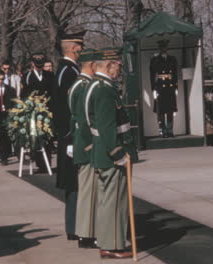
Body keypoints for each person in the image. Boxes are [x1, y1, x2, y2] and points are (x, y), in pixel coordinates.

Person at [85, 48, 137, 259]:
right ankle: (113, 246)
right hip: (111, 155)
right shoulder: (104, 89)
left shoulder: (96, 86)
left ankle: (108, 242)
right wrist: (118, 154)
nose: (119, 70)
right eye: (118, 66)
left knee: (108, 201)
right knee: (115, 202)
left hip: (102, 153)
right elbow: (107, 127)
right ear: (108, 65)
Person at [53, 31, 85, 241]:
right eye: (80, 45)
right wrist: (69, 137)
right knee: (74, 183)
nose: (82, 49)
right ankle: (74, 227)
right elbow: (67, 108)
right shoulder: (68, 71)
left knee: (75, 184)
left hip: (69, 135)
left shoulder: (69, 69)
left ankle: (74, 227)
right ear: (73, 47)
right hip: (71, 136)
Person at [68, 49, 98, 248]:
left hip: (82, 143)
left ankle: (86, 232)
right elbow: (80, 119)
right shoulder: (82, 85)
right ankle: (86, 234)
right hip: (86, 144)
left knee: (88, 190)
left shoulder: (80, 84)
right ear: (91, 65)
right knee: (88, 190)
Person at [150, 39, 178, 138]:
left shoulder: (172, 59)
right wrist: (153, 89)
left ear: (167, 48)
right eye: (162, 47)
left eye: (165, 47)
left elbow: (175, 74)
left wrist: (176, 87)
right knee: (160, 111)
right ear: (159, 48)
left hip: (170, 87)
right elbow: (152, 75)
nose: (163, 49)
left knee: (170, 110)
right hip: (160, 88)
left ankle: (170, 131)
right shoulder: (155, 60)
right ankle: (162, 130)